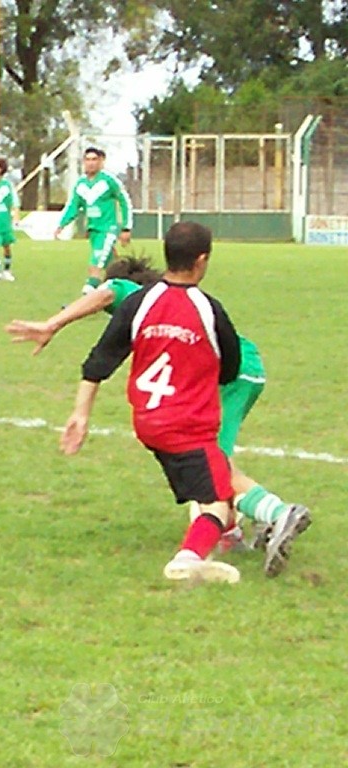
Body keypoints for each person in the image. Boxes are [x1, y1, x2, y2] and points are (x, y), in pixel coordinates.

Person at [6, 256, 311, 577]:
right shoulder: (171, 306)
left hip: (230, 375)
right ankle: (232, 532)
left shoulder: (142, 296)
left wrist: (52, 324)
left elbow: (109, 291)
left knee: (212, 463)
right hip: (240, 371)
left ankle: (278, 514)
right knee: (209, 462)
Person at [58, 222, 275, 584]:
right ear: (201, 261)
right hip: (188, 426)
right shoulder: (209, 309)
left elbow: (100, 359)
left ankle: (202, 551)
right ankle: (188, 558)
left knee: (207, 485)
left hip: (148, 423)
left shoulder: (138, 303)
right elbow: (230, 369)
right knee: (219, 501)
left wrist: (80, 414)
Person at [53, 146, 132, 295]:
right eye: (88, 159)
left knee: (95, 264)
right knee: (112, 264)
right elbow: (73, 206)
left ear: (101, 161)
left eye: (94, 159)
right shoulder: (81, 184)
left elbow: (124, 201)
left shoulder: (109, 181)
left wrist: (126, 227)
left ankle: (89, 291)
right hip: (93, 230)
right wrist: (61, 224)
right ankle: (130, 285)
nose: (91, 163)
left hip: (108, 228)